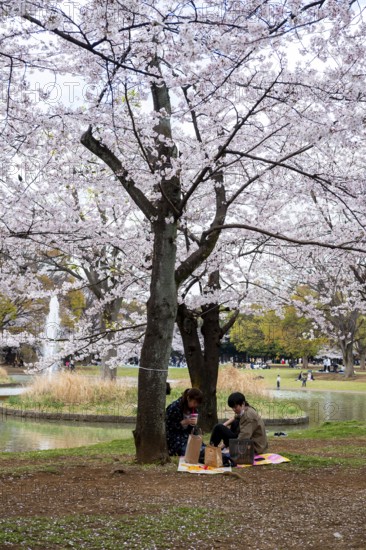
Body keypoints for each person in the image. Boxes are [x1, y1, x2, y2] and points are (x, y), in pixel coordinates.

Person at [165, 388, 203, 456]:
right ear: (188, 398)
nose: (196, 405)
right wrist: (183, 422)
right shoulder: (175, 407)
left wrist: (193, 425)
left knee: (201, 447)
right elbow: (168, 426)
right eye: (194, 403)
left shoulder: (193, 409)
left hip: (187, 436)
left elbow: (191, 430)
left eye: (197, 404)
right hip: (175, 438)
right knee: (191, 451)